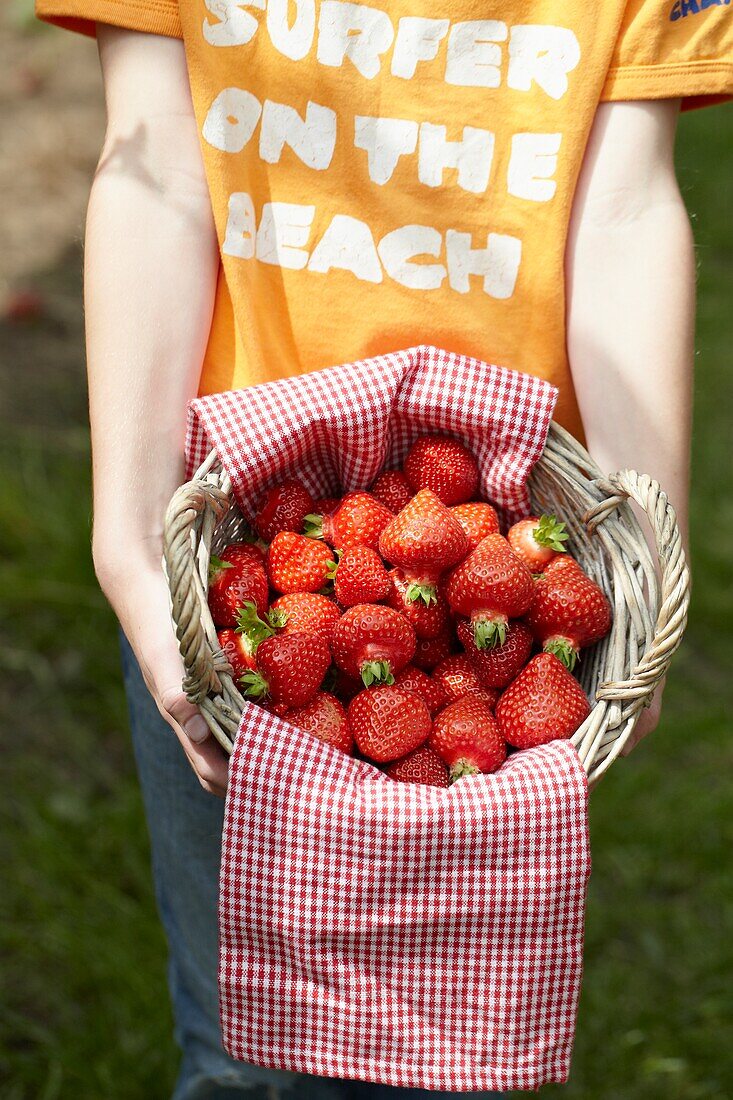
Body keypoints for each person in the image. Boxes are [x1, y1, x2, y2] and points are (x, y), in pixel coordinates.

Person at [32, 0, 733, 1096]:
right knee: (245, 1045)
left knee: (450, 1051)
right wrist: (128, 534)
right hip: (229, 552)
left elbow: (624, 210)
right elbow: (156, 165)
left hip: (499, 528)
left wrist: (643, 540)